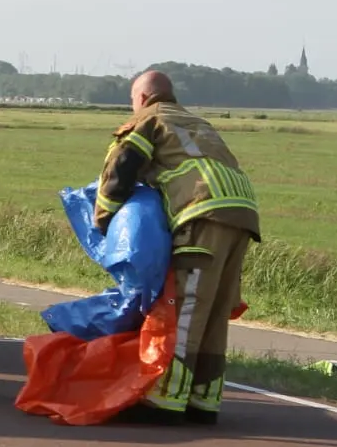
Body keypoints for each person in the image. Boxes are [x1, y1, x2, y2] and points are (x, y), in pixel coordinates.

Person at [96, 69, 260, 425]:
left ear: (142, 98)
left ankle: (167, 398)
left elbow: (121, 168)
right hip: (242, 213)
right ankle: (205, 399)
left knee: (189, 306)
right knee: (216, 308)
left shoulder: (148, 119)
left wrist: (103, 220)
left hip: (202, 211)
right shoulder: (196, 122)